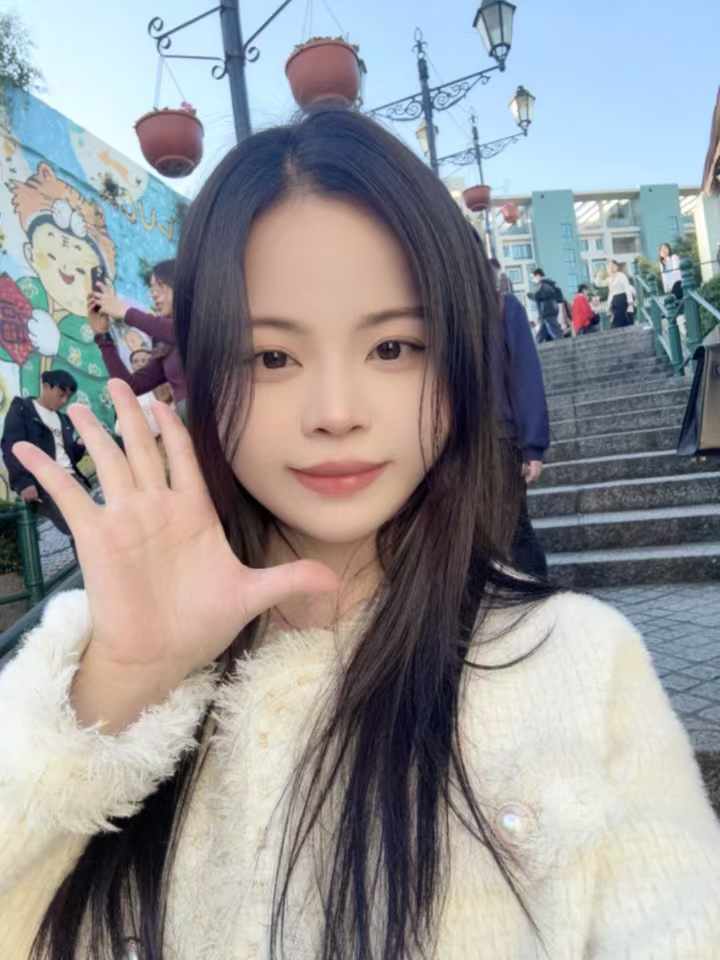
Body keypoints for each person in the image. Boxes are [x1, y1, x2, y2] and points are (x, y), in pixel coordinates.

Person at [2, 108, 720, 960]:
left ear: (456, 360)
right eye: (271, 357)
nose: (336, 413)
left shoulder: (579, 661)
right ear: (206, 369)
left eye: (393, 348)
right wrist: (119, 689)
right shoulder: (89, 661)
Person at [487, 255, 549, 578]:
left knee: (515, 530)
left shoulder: (504, 307)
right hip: (458, 442)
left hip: (500, 440)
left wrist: (532, 447)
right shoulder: (445, 309)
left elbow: (526, 375)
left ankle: (537, 597)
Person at [87, 259, 187, 419]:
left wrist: (124, 310)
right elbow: (131, 387)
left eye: (160, 285)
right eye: (151, 288)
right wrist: (103, 337)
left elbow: (180, 332)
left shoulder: (202, 325)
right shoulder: (166, 344)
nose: (153, 294)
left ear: (181, 285)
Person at [1, 369, 89, 540]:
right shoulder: (23, 409)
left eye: (68, 397)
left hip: (73, 478)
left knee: (91, 528)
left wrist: (80, 446)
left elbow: (67, 456)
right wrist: (23, 483)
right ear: (46, 386)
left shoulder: (63, 419)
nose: (64, 401)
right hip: (47, 481)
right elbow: (12, 446)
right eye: (60, 395)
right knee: (80, 529)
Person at [528, 268, 564, 342]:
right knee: (541, 332)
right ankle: (537, 344)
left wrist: (533, 296)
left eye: (532, 277)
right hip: (546, 312)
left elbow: (544, 295)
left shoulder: (545, 285)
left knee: (555, 331)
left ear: (538, 275)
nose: (532, 280)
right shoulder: (545, 284)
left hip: (548, 311)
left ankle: (562, 343)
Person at [607, 259, 634, 327]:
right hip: (614, 301)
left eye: (613, 265)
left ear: (617, 267)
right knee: (615, 321)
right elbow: (611, 292)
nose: (611, 267)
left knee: (622, 319)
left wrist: (630, 302)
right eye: (610, 266)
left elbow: (627, 288)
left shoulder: (621, 275)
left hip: (622, 298)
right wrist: (608, 304)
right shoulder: (609, 279)